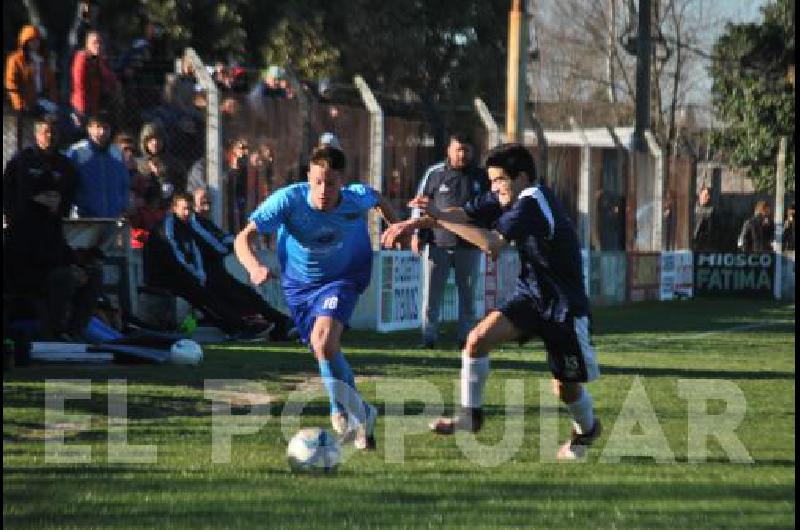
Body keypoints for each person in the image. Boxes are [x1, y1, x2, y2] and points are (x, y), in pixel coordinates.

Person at [382, 143, 601, 461]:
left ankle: (587, 430)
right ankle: (471, 416)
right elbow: (464, 214)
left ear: (521, 178)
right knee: (476, 340)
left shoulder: (531, 204)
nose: (494, 187)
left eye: (499, 180)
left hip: (563, 307)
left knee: (565, 388)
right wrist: (414, 223)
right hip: (530, 295)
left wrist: (441, 219)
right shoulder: (509, 197)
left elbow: (491, 244)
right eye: (492, 180)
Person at [234, 145, 404, 450]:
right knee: (321, 348)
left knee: (324, 341)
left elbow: (377, 198)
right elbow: (243, 238)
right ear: (309, 177)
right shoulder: (288, 200)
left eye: (331, 183)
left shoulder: (354, 199)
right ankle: (361, 413)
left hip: (344, 276)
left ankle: (339, 410)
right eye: (318, 182)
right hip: (299, 286)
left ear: (342, 181)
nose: (324, 190)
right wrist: (254, 266)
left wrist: (398, 228)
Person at [143, 193, 273, 340]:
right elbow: (177, 257)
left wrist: (199, 274)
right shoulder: (168, 227)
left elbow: (198, 251)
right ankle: (238, 327)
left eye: (190, 209)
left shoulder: (189, 224)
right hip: (166, 277)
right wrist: (197, 275)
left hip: (185, 275)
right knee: (204, 294)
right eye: (184, 209)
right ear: (174, 208)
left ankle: (250, 322)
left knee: (223, 288)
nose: (187, 213)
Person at [4, 166, 102, 340]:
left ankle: (75, 330)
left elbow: (62, 249)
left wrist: (79, 265)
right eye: (48, 196)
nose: (54, 200)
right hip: (29, 279)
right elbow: (29, 257)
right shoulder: (23, 222)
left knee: (94, 272)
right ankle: (55, 331)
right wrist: (67, 267)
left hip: (52, 272)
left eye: (56, 196)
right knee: (64, 276)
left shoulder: (53, 221)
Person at [411, 132, 488, 348]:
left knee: (468, 297)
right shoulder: (435, 174)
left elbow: (490, 210)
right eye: (458, 149)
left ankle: (465, 339)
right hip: (438, 245)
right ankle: (428, 338)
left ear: (472, 152)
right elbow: (421, 204)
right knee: (431, 295)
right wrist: (418, 234)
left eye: (466, 150)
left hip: (469, 246)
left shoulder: (481, 178)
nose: (462, 154)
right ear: (449, 150)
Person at [190, 187, 295, 341]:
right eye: (202, 203)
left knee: (247, 295)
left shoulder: (206, 223)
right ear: (193, 204)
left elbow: (224, 238)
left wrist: (234, 242)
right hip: (205, 275)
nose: (207, 208)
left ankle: (280, 323)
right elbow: (217, 245)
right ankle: (255, 327)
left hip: (215, 271)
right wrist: (234, 244)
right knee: (240, 297)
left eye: (209, 203)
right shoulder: (193, 222)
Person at [3, 115, 78, 223]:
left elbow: (70, 193)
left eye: (54, 132)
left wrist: (61, 210)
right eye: (46, 132)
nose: (50, 135)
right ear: (37, 134)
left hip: (53, 226)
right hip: (25, 224)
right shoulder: (22, 160)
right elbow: (8, 188)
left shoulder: (65, 164)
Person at [66, 112, 130, 218]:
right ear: (89, 129)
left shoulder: (117, 153)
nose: (102, 132)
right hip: (84, 219)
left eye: (106, 128)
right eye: (98, 127)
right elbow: (69, 184)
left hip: (113, 219)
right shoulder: (77, 152)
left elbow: (124, 184)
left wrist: (122, 205)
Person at [70, 30, 121, 131]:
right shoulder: (82, 58)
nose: (98, 45)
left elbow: (110, 79)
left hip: (96, 106)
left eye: (100, 43)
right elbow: (79, 85)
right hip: (83, 109)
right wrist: (82, 111)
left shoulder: (99, 60)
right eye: (94, 43)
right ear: (87, 45)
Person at [5, 24, 59, 116]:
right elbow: (11, 84)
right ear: (25, 42)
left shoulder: (44, 60)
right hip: (23, 106)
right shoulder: (15, 59)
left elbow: (52, 84)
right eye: (31, 41)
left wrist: (53, 100)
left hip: (41, 102)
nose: (35, 43)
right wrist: (19, 104)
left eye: (37, 40)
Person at [692, 185, 718, 252]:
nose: (708, 197)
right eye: (706, 195)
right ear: (700, 195)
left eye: (709, 195)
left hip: (704, 245)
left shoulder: (711, 211)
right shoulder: (691, 210)